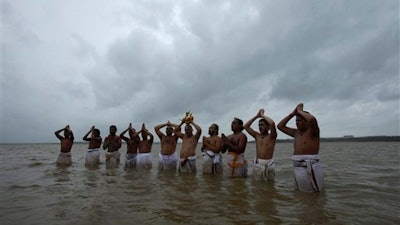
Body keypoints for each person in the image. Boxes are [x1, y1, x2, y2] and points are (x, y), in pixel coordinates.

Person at [277, 103, 324, 192]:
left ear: (307, 121)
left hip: (310, 165)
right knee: (301, 193)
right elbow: (280, 126)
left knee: (314, 192)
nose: (297, 123)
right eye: (296, 121)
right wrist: (292, 114)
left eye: (300, 120)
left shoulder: (313, 132)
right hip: (297, 165)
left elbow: (312, 119)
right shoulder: (296, 133)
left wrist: (299, 111)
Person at [244, 109, 277, 182]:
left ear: (268, 127)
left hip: (268, 163)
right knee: (257, 185)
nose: (260, 127)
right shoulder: (257, 136)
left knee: (269, 185)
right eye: (259, 125)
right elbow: (246, 126)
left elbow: (272, 123)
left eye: (262, 125)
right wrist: (256, 116)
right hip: (258, 163)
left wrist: (262, 115)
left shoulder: (272, 136)